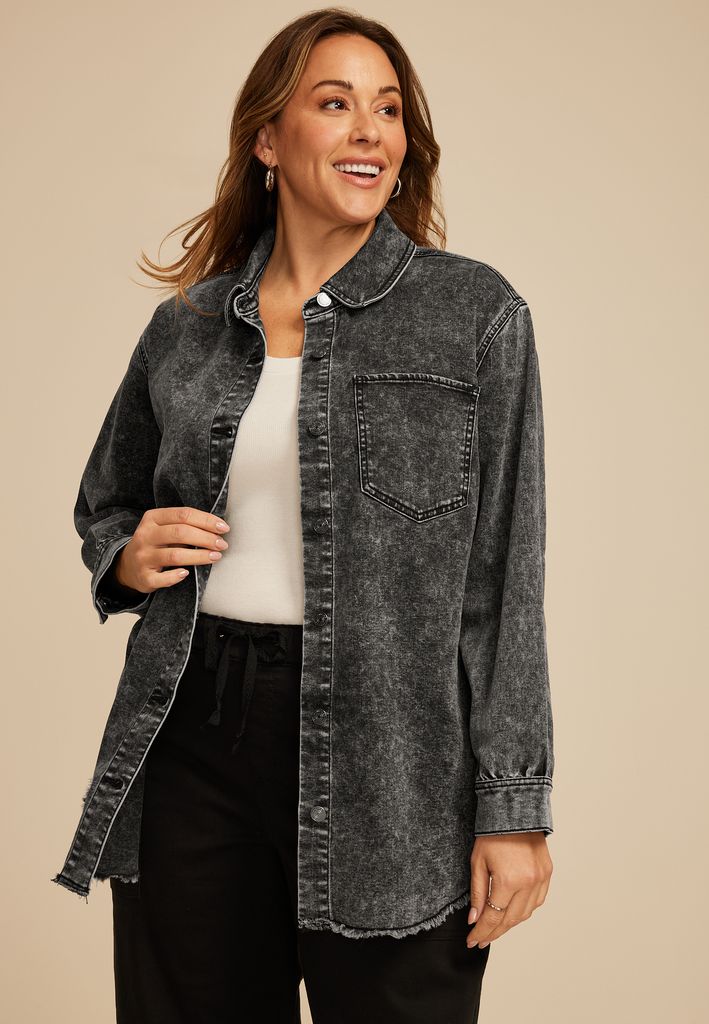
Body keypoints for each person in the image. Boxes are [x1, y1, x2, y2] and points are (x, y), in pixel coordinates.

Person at [51, 8, 555, 1023]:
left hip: (394, 758)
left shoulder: (472, 316)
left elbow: (503, 583)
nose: (370, 131)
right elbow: (107, 503)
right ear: (267, 140)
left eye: (389, 110)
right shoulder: (189, 326)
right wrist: (129, 553)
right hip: (195, 730)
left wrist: (513, 806)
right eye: (335, 103)